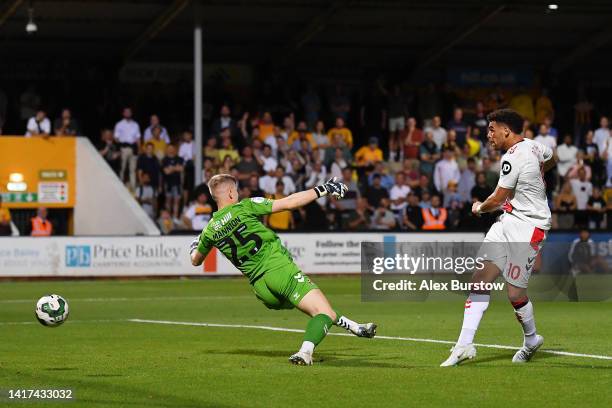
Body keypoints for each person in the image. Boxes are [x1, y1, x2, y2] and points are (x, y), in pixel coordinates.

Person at [190, 174, 376, 365]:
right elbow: (289, 202)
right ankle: (305, 352)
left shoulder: (209, 231)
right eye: (235, 190)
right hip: (278, 269)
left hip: (262, 289)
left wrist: (194, 247)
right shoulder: (245, 206)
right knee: (323, 312)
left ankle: (356, 327)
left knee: (317, 307)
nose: (237, 193)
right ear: (230, 192)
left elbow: (196, 260)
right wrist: (323, 190)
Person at [441, 109, 556, 367]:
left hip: (529, 226)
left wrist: (479, 207)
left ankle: (531, 339)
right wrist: (537, 175)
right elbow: (551, 158)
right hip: (507, 222)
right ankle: (464, 345)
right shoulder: (535, 146)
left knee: (515, 293)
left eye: (492, 130)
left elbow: (498, 198)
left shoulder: (512, 158)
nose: (488, 135)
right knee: (480, 278)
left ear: (507, 130)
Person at [114, 107, 141, 191]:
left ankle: (133, 187)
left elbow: (138, 138)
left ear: (131, 113)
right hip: (124, 148)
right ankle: (121, 186)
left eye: (129, 112)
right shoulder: (119, 124)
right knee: (122, 168)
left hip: (133, 148)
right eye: (126, 112)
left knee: (132, 169)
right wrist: (119, 148)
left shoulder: (135, 124)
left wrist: (139, 149)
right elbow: (116, 137)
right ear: (123, 113)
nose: (128, 113)